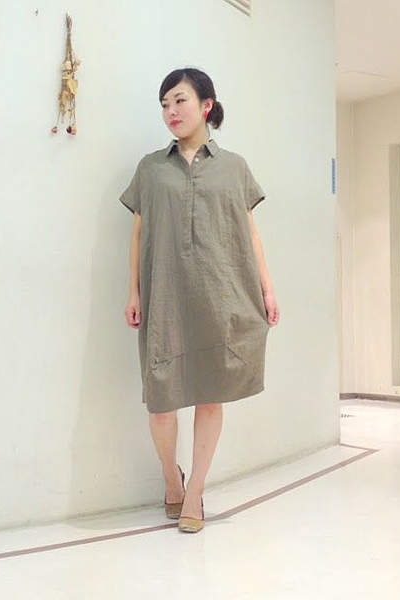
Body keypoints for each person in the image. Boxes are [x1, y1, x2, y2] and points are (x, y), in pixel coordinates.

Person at [119, 67, 279, 533]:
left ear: (206, 105)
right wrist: (133, 290)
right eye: (164, 104)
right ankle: (172, 478)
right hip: (165, 296)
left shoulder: (235, 167)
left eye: (179, 100)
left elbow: (250, 233)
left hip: (219, 293)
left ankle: (195, 492)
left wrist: (267, 288)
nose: (171, 111)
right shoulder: (151, 168)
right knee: (161, 402)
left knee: (211, 396)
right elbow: (138, 234)